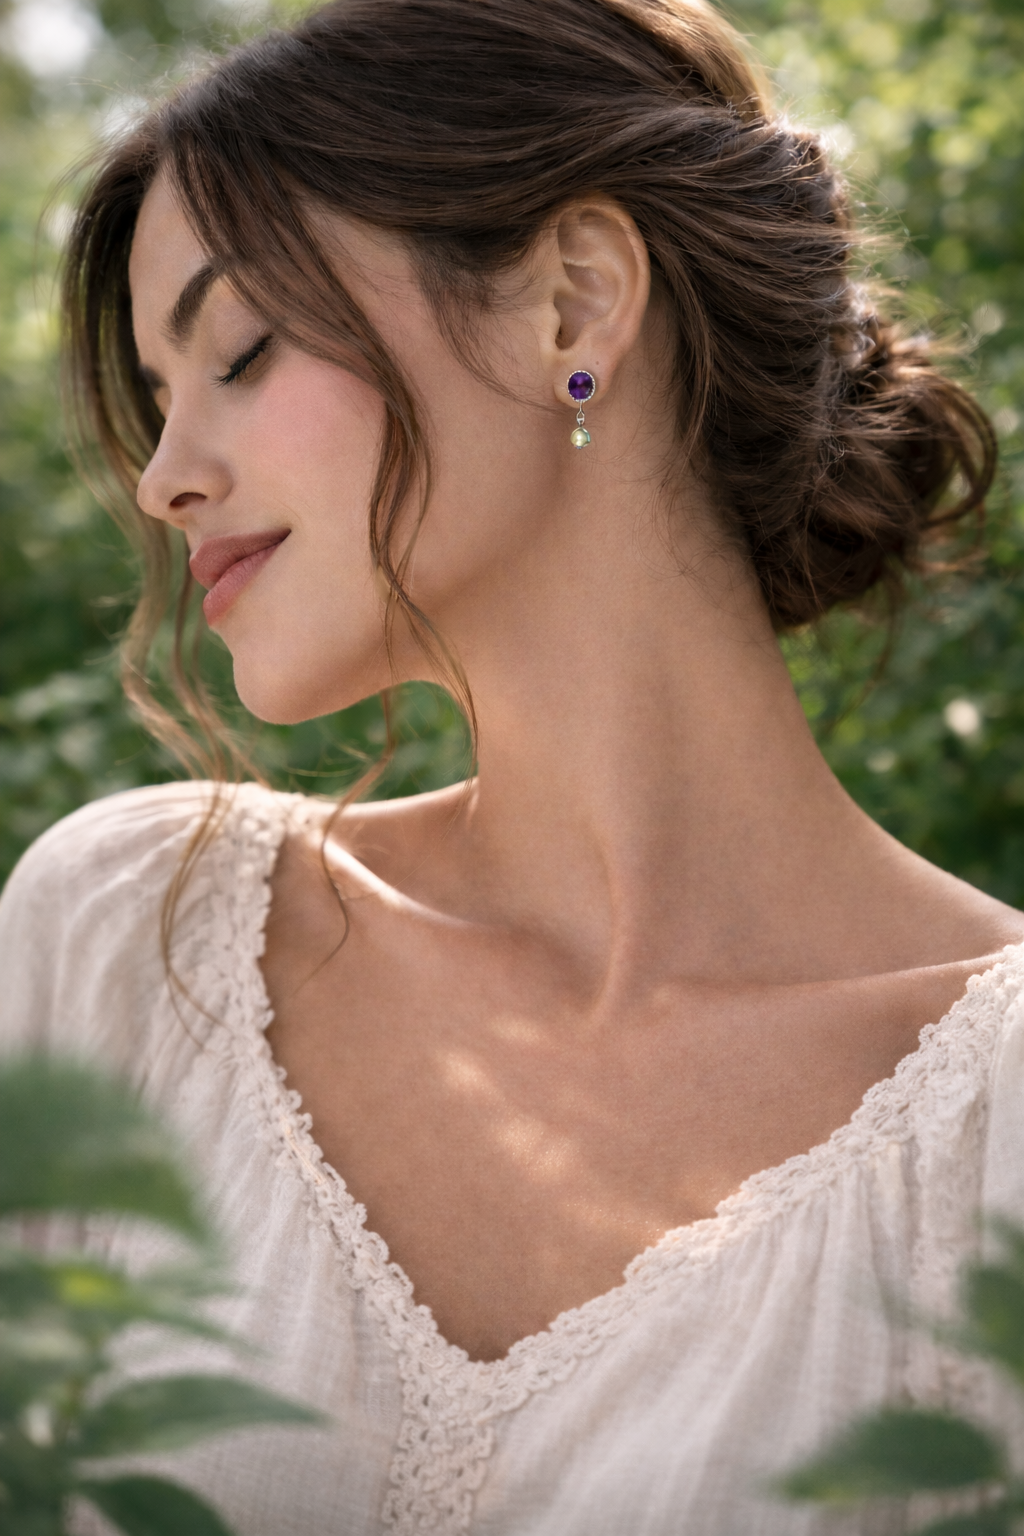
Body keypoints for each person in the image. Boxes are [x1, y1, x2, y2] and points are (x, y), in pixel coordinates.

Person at [2, 0, 1022, 1529]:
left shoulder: (994, 1123)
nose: (163, 479)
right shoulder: (133, 939)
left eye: (239, 351)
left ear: (571, 307)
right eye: (157, 401)